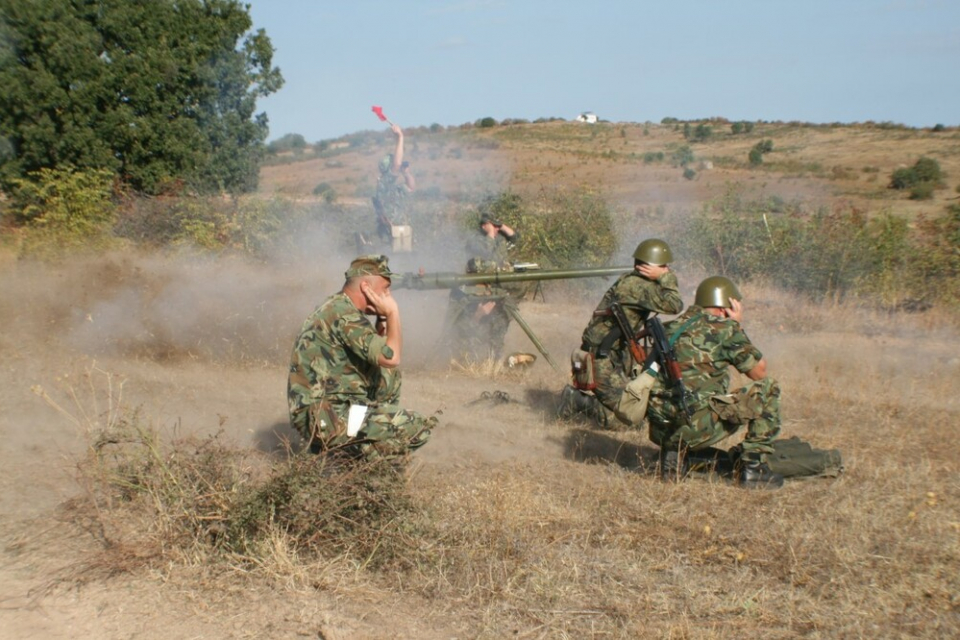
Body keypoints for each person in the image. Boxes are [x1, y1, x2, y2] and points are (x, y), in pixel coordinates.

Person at [287, 254, 435, 461]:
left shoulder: (338, 307)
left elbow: (377, 359)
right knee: (417, 426)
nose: (388, 295)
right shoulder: (344, 315)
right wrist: (393, 313)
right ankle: (353, 463)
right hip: (326, 417)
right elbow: (391, 357)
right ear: (366, 286)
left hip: (330, 412)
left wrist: (381, 322)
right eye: (385, 288)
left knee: (387, 376)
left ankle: (349, 461)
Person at [645, 276, 784, 489]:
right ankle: (754, 468)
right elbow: (759, 372)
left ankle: (673, 457)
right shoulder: (724, 329)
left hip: (661, 429)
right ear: (725, 308)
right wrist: (736, 327)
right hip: (696, 427)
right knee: (769, 388)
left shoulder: (669, 327)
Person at [558, 239, 683, 428]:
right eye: (664, 267)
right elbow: (675, 304)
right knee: (629, 421)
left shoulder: (634, 282)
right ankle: (576, 401)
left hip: (613, 353)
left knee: (638, 404)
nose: (667, 270)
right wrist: (666, 278)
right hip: (602, 359)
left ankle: (597, 401)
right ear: (650, 267)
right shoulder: (637, 286)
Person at [444, 212, 524, 361]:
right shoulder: (475, 240)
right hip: (479, 285)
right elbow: (485, 252)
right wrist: (490, 235)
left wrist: (502, 227)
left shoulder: (500, 237)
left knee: (500, 320)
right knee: (475, 321)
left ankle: (495, 357)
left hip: (498, 284)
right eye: (493, 226)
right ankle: (470, 355)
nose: (497, 229)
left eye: (497, 226)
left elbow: (516, 238)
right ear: (484, 226)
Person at [372, 124, 415, 248]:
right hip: (389, 237)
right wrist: (400, 137)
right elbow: (396, 165)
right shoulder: (383, 184)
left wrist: (406, 173)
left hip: (401, 235)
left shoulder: (395, 188)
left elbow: (411, 188)